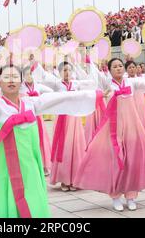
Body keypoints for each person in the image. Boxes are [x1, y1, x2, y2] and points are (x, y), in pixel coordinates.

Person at [0, 57, 102, 218]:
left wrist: (95, 96)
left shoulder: (32, 104)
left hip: (30, 166)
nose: (11, 80)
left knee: (32, 196)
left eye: (15, 77)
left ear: (21, 81)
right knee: (7, 198)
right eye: (6, 77)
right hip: (6, 168)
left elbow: (62, 98)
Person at [74, 58, 145, 212]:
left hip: (131, 128)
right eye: (114, 66)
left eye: (120, 66)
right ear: (109, 70)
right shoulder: (106, 84)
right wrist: (90, 60)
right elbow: (95, 74)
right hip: (112, 130)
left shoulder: (132, 82)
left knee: (132, 160)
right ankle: (115, 195)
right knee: (115, 161)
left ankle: (130, 196)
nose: (118, 68)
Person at [31, 59, 97, 192]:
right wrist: (35, 62)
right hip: (62, 118)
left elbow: (91, 82)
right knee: (65, 148)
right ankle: (64, 179)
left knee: (76, 146)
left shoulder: (76, 84)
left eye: (69, 70)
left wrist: (89, 63)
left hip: (75, 119)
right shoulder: (57, 84)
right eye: (64, 70)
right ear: (59, 72)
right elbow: (44, 76)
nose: (67, 73)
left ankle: (75, 179)